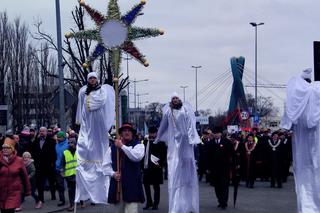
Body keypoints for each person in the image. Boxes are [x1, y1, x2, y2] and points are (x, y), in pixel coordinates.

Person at [280, 68, 320, 212]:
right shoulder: (317, 92)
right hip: (316, 139)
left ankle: (306, 208)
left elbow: (286, 124)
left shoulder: (293, 97)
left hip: (301, 142)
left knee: (303, 174)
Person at [155, 93, 200, 213]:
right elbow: (163, 126)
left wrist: (192, 139)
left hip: (186, 144)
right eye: (173, 98)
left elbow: (191, 125)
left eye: (176, 98)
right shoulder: (168, 112)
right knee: (175, 172)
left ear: (180, 99)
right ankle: (176, 206)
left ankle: (189, 205)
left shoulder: (185, 109)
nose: (175, 100)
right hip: (174, 146)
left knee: (188, 174)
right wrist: (158, 137)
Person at [75, 72, 115, 204]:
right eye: (90, 78)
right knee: (84, 145)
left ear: (97, 79)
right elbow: (81, 107)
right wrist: (80, 121)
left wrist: (91, 103)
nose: (92, 80)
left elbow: (101, 102)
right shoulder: (83, 92)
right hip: (87, 123)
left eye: (94, 78)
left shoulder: (102, 91)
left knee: (99, 147)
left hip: (98, 122)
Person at [108, 123, 145, 213]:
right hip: (118, 186)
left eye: (129, 131)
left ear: (132, 133)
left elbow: (136, 157)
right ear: (120, 134)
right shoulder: (112, 148)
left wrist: (122, 146)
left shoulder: (138, 145)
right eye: (124, 131)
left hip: (132, 185)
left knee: (132, 211)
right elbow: (105, 166)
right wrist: (113, 174)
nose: (127, 132)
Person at [206, 126, 235, 209]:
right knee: (217, 186)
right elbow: (207, 156)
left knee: (225, 186)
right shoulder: (211, 143)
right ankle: (220, 200)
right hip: (214, 169)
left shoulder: (227, 142)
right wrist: (208, 168)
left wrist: (236, 164)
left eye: (217, 133)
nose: (216, 135)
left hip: (224, 168)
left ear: (220, 134)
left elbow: (233, 154)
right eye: (214, 133)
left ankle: (224, 202)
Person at [0, 137, 31, 213]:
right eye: (3, 148)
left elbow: (25, 177)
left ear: (12, 149)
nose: (5, 149)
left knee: (9, 210)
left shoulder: (19, 160)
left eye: (7, 148)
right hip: (1, 192)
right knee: (3, 210)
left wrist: (28, 190)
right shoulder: (0, 160)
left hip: (13, 192)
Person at [142, 126, 166, 210]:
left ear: (156, 133)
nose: (152, 134)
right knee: (146, 185)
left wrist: (159, 165)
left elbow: (163, 156)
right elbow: (143, 153)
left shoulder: (160, 142)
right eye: (150, 132)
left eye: (153, 133)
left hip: (156, 168)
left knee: (156, 187)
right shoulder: (145, 141)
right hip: (146, 167)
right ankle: (149, 202)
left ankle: (156, 203)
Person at [31, 126, 57, 204]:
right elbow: (33, 152)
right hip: (39, 166)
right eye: (40, 131)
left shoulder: (51, 141)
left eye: (43, 131)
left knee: (51, 181)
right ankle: (41, 198)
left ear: (46, 132)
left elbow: (54, 153)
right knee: (39, 182)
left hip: (49, 165)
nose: (41, 132)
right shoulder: (36, 141)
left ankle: (53, 195)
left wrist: (52, 163)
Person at [61, 137, 85, 211]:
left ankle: (81, 201)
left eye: (71, 143)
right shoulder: (65, 152)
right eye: (69, 143)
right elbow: (63, 163)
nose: (70, 144)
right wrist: (62, 171)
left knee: (79, 189)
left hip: (78, 174)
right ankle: (72, 205)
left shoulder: (79, 151)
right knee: (71, 191)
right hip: (69, 175)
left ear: (75, 143)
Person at [55, 131, 69, 206]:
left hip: (67, 168)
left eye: (60, 137)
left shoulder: (68, 145)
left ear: (64, 137)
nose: (58, 138)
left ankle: (73, 200)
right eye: (58, 137)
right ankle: (62, 200)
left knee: (71, 185)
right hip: (58, 167)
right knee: (60, 185)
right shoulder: (56, 145)